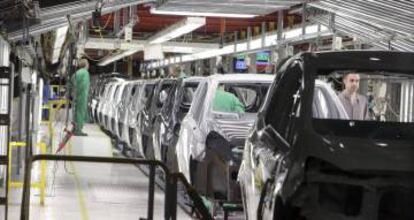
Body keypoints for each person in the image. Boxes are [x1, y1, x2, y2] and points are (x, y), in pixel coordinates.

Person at [72, 58, 90, 136]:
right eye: (88, 64)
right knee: (80, 113)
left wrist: (75, 93)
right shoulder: (85, 73)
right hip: (82, 96)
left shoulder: (77, 72)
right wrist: (81, 93)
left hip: (76, 96)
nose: (88, 66)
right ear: (85, 65)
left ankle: (75, 128)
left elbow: (72, 81)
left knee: (76, 113)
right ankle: (78, 130)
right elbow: (84, 85)